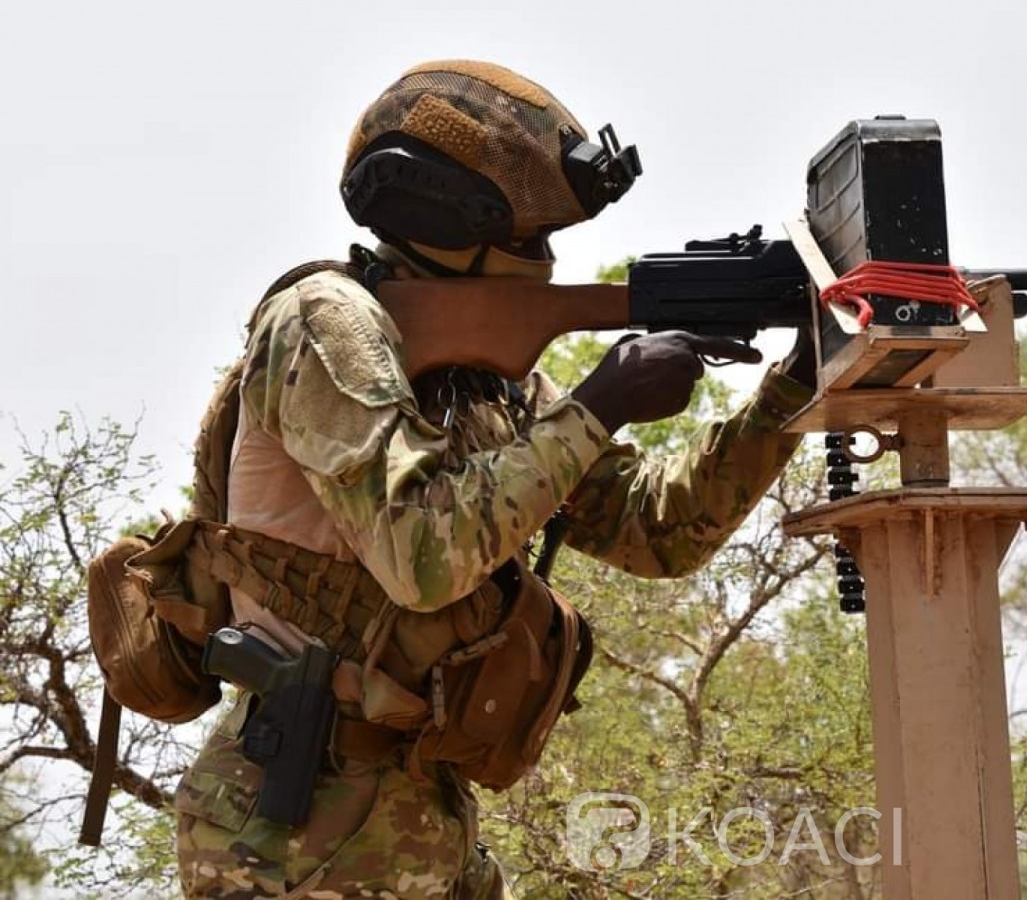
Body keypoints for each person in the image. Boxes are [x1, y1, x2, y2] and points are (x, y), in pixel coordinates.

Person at [174, 59, 815, 898]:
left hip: (414, 815)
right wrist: (601, 403)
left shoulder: (481, 381)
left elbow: (657, 529)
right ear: (447, 218)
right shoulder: (327, 322)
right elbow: (419, 558)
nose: (546, 259)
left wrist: (797, 384)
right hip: (296, 833)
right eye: (528, 239)